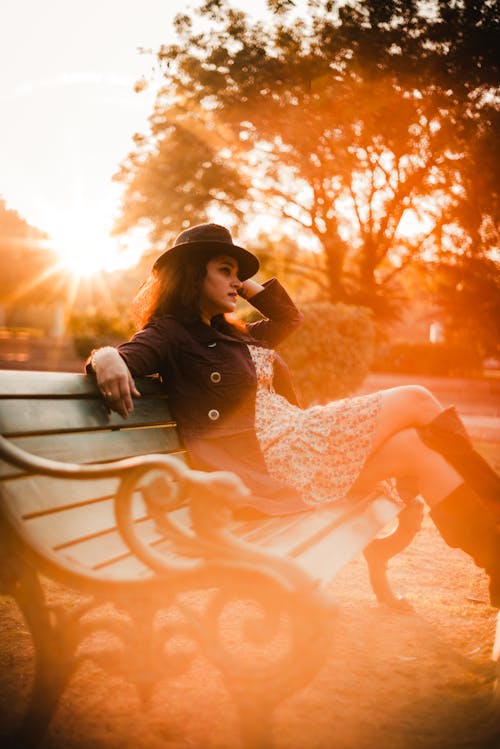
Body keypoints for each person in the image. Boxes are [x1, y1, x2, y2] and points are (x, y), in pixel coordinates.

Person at [88, 222, 500, 606]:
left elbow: (289, 317)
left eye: (237, 274)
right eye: (225, 271)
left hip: (296, 447)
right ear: (192, 275)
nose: (236, 281)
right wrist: (104, 356)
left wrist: (234, 280)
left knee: (417, 450)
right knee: (416, 398)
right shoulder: (170, 333)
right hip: (272, 457)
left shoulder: (232, 334)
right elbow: (125, 357)